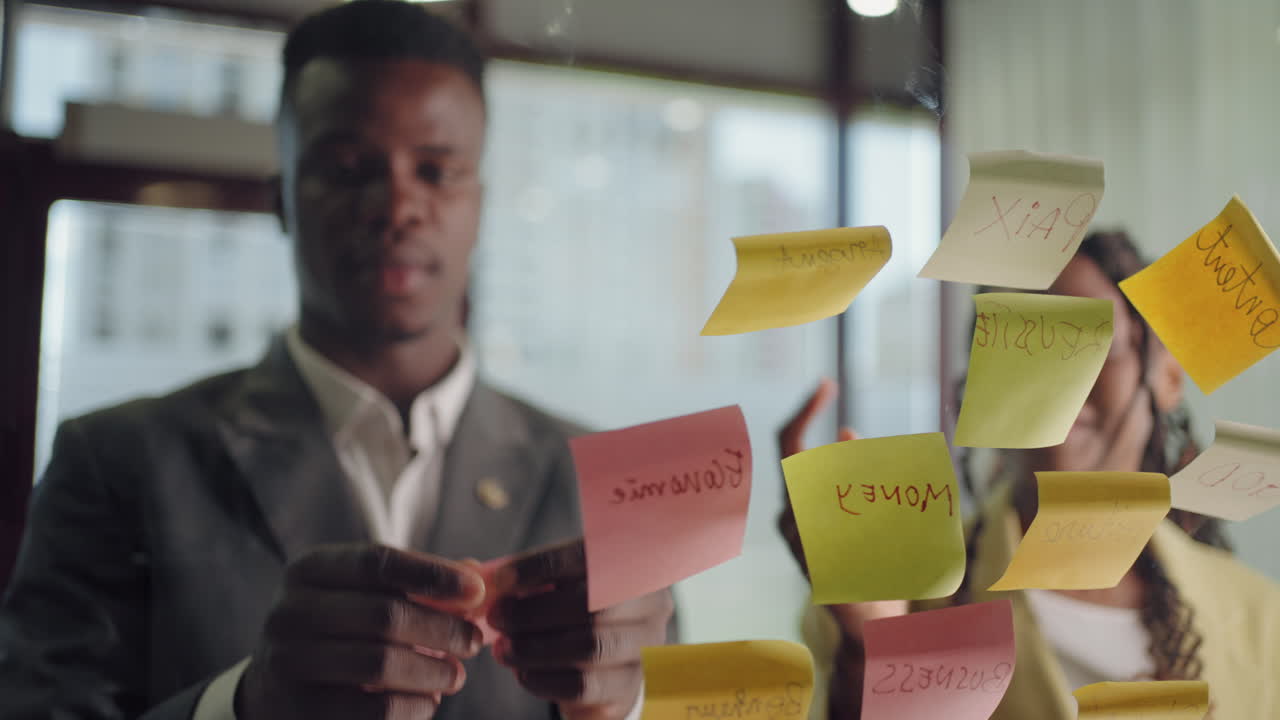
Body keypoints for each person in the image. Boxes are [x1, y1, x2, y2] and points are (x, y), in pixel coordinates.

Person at [0, 2, 674, 718]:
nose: (397, 205)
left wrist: (625, 706)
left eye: (438, 169)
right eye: (350, 168)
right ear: (281, 198)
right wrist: (242, 708)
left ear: (479, 203)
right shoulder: (114, 464)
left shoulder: (599, 480)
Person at [778, 231, 1280, 719]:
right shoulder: (897, 598)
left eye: (1087, 341)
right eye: (1014, 349)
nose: (1050, 379)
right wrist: (870, 654)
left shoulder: (1261, 620)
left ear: (1166, 376)